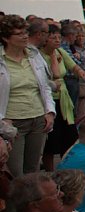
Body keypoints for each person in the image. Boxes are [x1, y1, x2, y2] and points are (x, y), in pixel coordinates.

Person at [0, 15, 56, 180]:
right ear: (5, 38)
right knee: (16, 175)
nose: (25, 36)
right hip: (12, 123)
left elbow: (44, 86)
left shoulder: (34, 55)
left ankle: (32, 205)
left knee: (33, 172)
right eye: (19, 34)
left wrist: (50, 112)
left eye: (25, 32)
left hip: (38, 119)